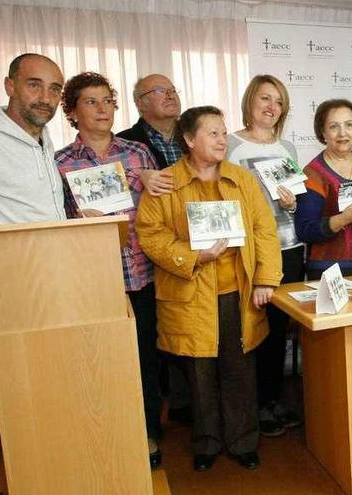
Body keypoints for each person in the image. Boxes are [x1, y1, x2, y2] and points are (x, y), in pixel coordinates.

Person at [135, 106, 282, 472]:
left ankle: (243, 441)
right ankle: (206, 443)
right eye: (212, 133)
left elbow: (264, 230)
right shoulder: (166, 182)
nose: (221, 140)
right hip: (190, 292)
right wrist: (192, 256)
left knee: (240, 369)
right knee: (199, 372)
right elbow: (150, 234)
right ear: (188, 139)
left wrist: (266, 279)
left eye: (222, 132)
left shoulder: (240, 179)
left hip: (238, 290)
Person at [54, 71, 163, 468]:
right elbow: (55, 223)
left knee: (145, 362)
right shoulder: (60, 162)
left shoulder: (137, 152)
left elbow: (161, 211)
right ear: (72, 111)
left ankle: (150, 436)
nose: (102, 109)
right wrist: (78, 220)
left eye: (108, 101)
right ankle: (111, 438)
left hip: (143, 273)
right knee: (103, 365)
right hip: (94, 279)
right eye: (91, 102)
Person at [227, 75, 304, 437]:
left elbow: (295, 198)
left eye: (278, 102)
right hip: (250, 251)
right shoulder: (229, 144)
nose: (271, 107)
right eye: (265, 99)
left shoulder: (287, 148)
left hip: (288, 247)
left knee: (278, 330)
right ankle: (253, 406)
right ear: (250, 101)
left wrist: (293, 201)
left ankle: (273, 401)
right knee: (252, 330)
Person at [118, 73, 192, 422]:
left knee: (187, 323)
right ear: (141, 102)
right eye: (161, 91)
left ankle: (186, 402)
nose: (171, 95)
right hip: (150, 249)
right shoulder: (126, 145)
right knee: (154, 332)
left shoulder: (192, 133)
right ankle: (162, 406)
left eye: (173, 90)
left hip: (196, 244)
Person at [295, 99, 352, 279]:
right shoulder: (313, 174)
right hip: (329, 271)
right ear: (323, 132)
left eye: (349, 125)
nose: (343, 133)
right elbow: (305, 230)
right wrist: (343, 219)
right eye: (334, 126)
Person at [0, 53, 65, 225]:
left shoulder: (44, 139)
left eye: (54, 89)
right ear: (10, 86)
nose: (45, 98)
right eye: (34, 85)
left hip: (56, 250)